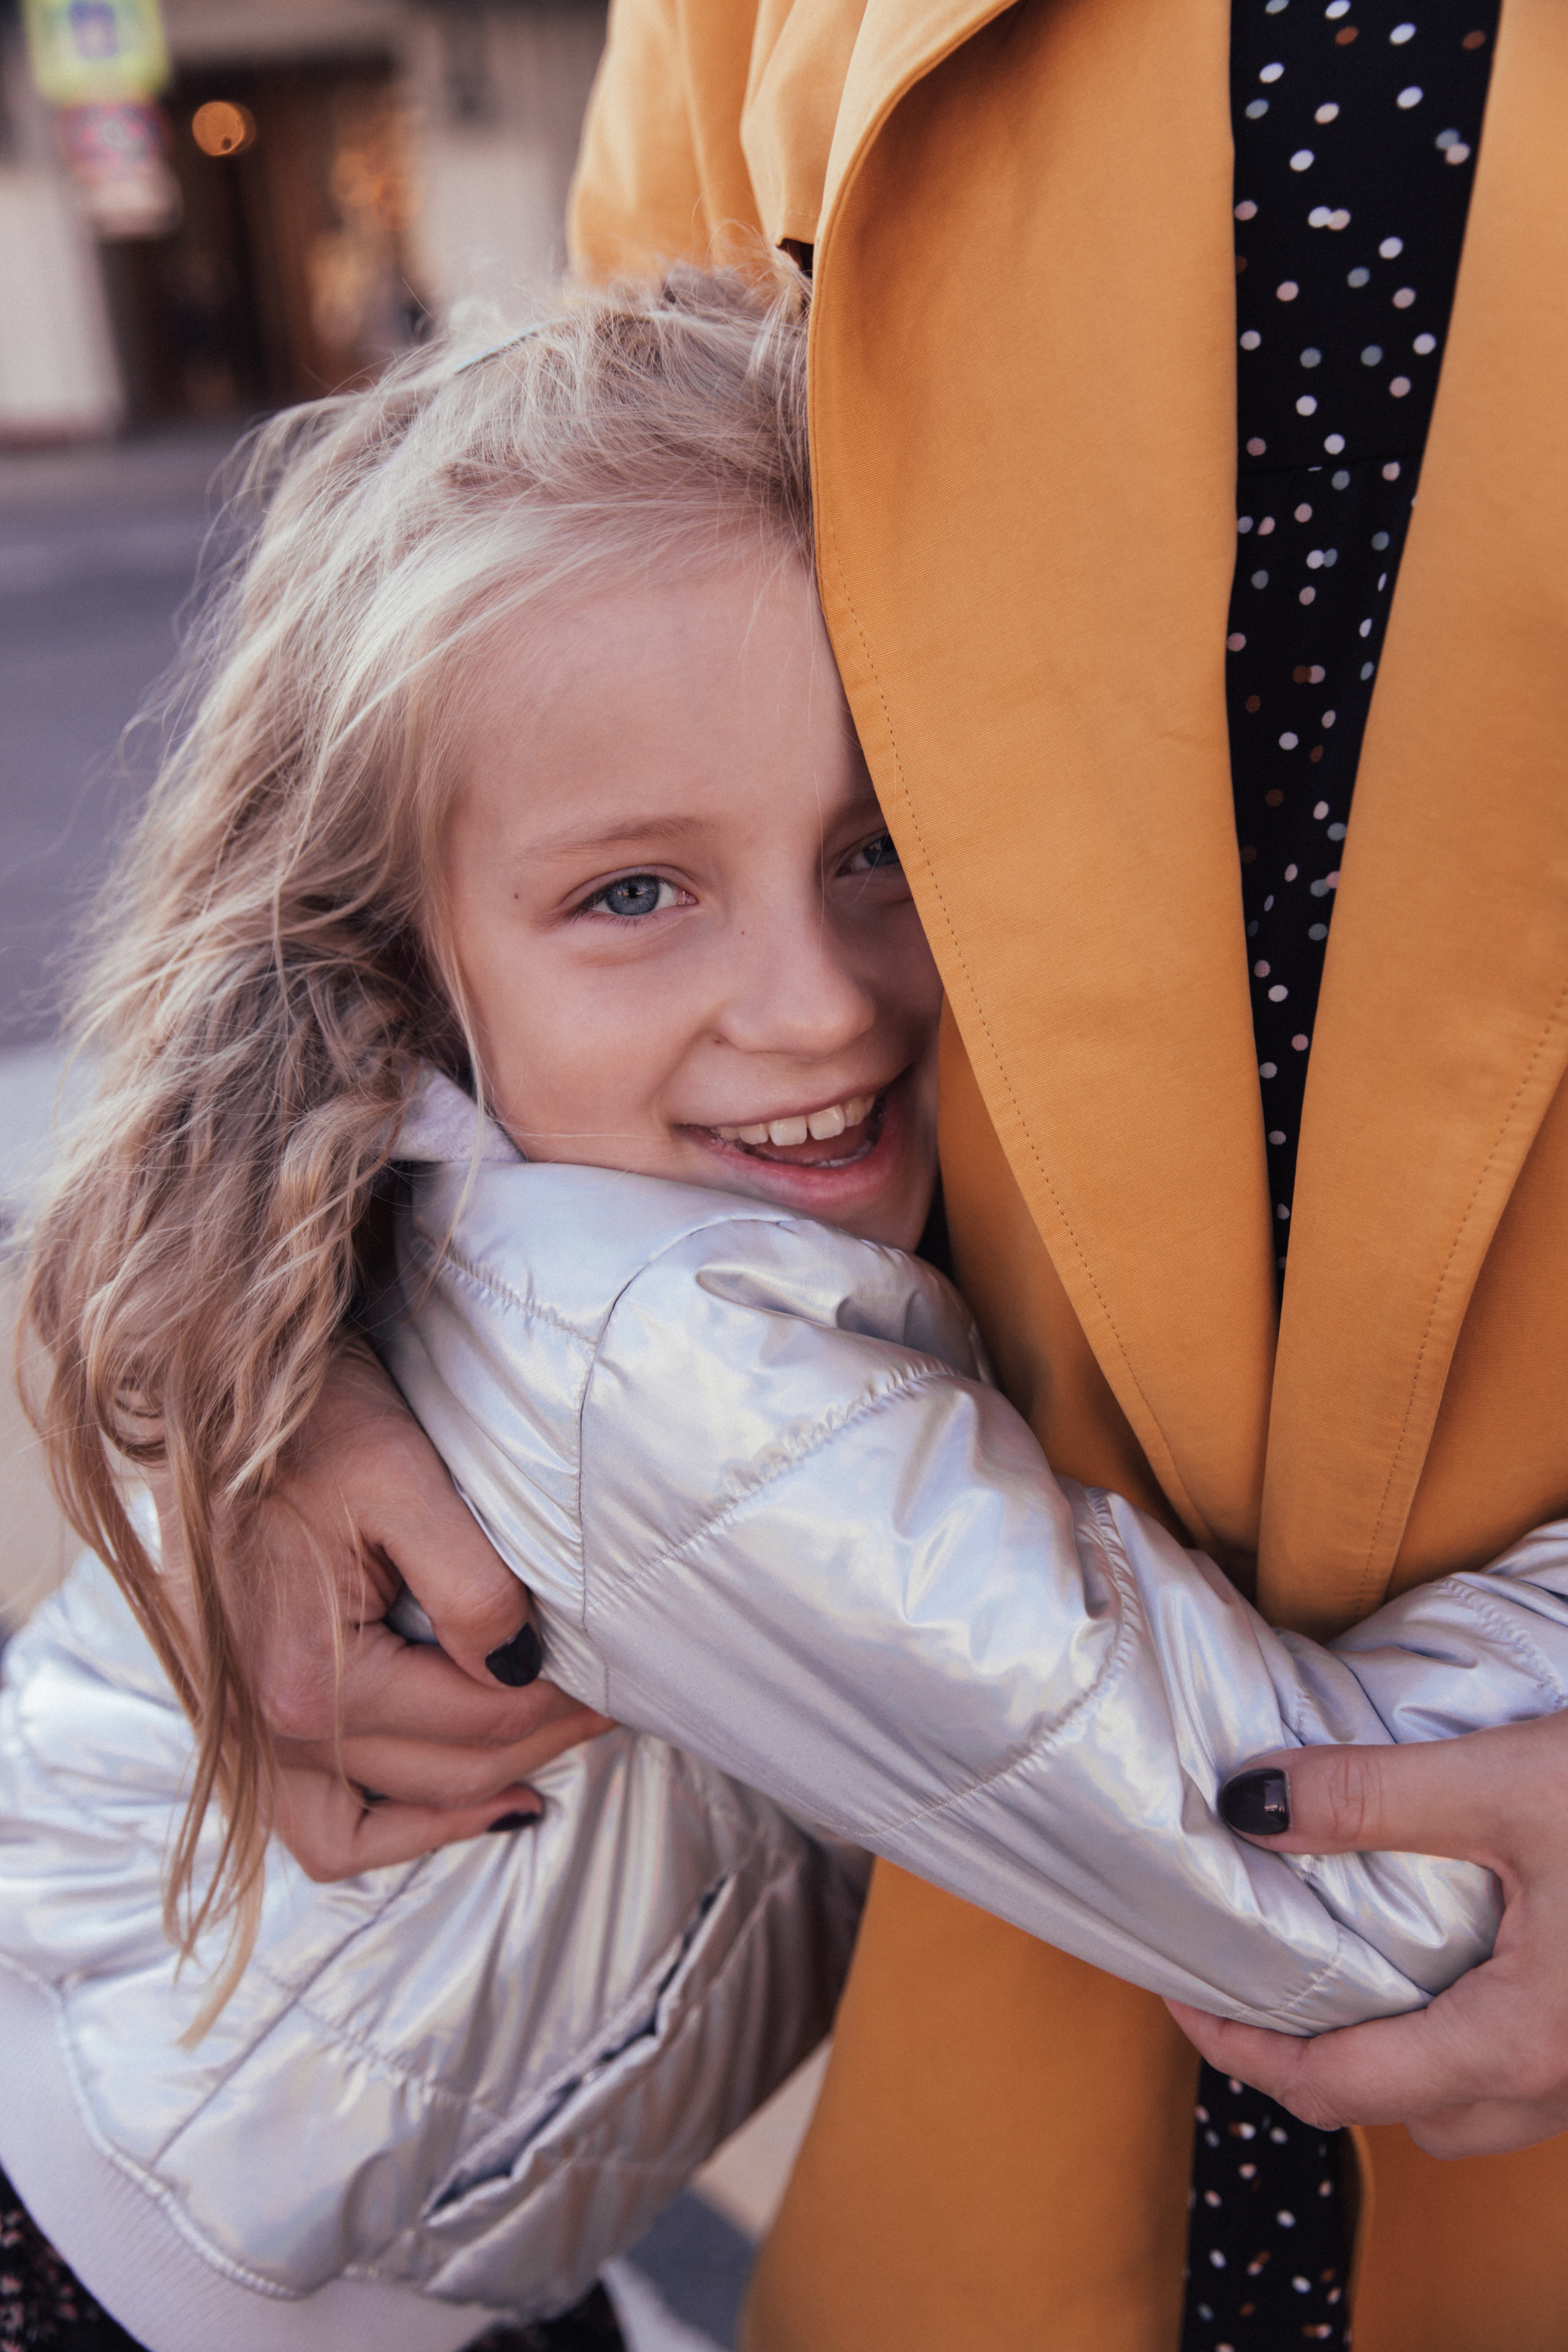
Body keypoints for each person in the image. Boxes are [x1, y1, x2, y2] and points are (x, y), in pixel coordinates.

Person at [7, 262, 1568, 2349]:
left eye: (884, 850)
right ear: (396, 937)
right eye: (634, 894)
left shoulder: (450, 1194)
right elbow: (1362, 1888)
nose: (818, 999)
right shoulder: (665, 1359)